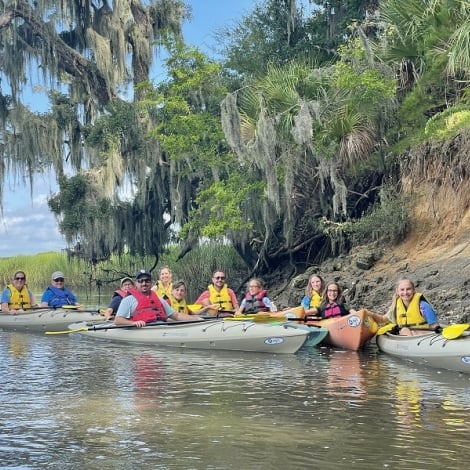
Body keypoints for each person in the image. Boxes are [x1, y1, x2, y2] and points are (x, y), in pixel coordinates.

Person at [115, 269, 202, 327]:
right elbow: (118, 320)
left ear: (151, 283)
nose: (144, 283)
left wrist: (197, 319)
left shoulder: (159, 300)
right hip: (144, 330)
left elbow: (177, 316)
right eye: (141, 281)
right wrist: (133, 323)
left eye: (147, 280)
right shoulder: (128, 300)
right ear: (136, 284)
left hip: (163, 329)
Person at [370, 278, 440, 335]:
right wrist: (369, 314)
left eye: (408, 289)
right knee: (404, 330)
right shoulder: (396, 306)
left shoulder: (423, 305)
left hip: (422, 335)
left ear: (413, 290)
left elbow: (434, 326)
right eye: (402, 290)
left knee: (405, 330)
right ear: (397, 292)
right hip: (405, 336)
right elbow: (382, 319)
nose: (405, 293)